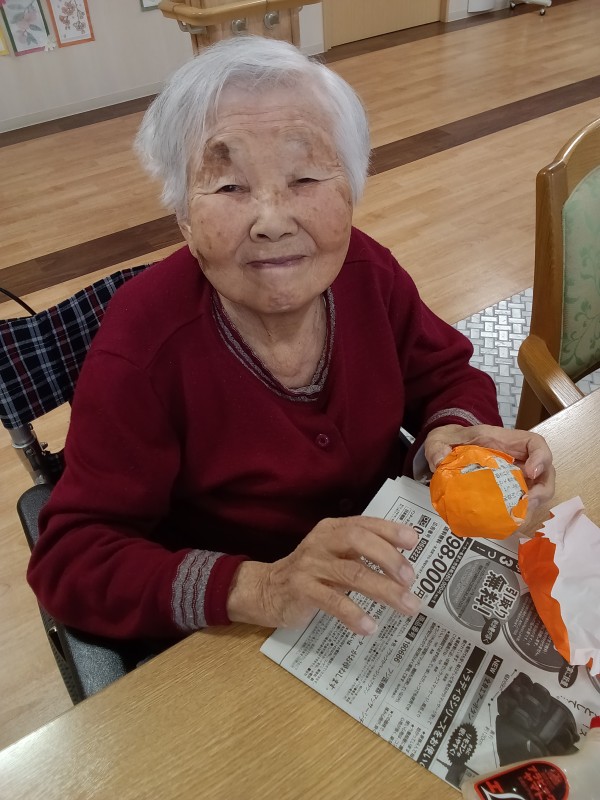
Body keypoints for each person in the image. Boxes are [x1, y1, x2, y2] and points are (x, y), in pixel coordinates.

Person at [27, 36, 554, 643]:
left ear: (350, 190)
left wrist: (452, 435)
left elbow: (446, 375)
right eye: (230, 187)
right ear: (184, 218)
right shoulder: (141, 346)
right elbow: (71, 560)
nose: (273, 221)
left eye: (304, 177)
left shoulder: (367, 271)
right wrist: (261, 587)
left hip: (391, 575)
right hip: (248, 630)